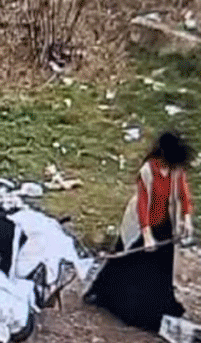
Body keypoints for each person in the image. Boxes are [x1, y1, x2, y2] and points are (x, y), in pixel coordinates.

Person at [84, 131, 195, 332]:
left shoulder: (175, 170)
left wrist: (186, 218)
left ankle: (158, 306)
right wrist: (146, 235)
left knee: (159, 270)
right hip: (141, 224)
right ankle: (118, 302)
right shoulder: (147, 171)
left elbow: (182, 194)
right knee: (129, 265)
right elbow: (143, 205)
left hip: (163, 223)